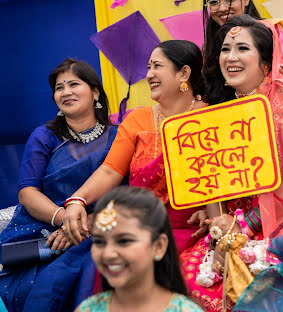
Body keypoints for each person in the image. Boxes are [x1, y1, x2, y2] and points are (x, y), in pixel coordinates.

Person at [180, 15, 283, 311]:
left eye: (242, 49)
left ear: (265, 62)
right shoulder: (228, 110)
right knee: (185, 276)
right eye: (225, 49)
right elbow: (217, 180)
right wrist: (220, 229)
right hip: (238, 222)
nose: (230, 57)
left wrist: (248, 224)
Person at [62, 40, 208, 253]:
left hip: (197, 231)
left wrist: (211, 210)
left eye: (157, 66)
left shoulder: (213, 117)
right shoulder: (136, 119)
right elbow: (110, 170)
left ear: (184, 73)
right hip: (142, 229)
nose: (149, 75)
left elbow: (228, 180)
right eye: (148, 67)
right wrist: (77, 200)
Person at [0, 58, 117, 311]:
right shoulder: (44, 136)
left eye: (74, 84)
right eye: (59, 87)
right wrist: (66, 219)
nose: (66, 92)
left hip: (102, 225)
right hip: (42, 230)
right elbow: (27, 192)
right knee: (36, 285)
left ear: (95, 91)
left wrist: (85, 223)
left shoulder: (119, 137)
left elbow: (127, 192)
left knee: (94, 275)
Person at [75, 186, 203, 312]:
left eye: (124, 241)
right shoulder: (87, 308)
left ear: (159, 246)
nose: (108, 254)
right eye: (99, 242)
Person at [202, 0, 283, 83]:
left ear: (246, 0)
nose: (222, 8)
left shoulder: (272, 31)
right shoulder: (210, 46)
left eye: (229, 0)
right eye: (214, 2)